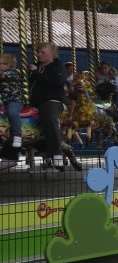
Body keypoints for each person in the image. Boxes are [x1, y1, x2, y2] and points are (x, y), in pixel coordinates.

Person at [28, 42, 67, 170]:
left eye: (42, 52)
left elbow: (57, 82)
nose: (39, 55)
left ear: (52, 54)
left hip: (52, 100)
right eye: (38, 52)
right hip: (35, 102)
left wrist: (37, 73)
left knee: (50, 118)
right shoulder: (35, 67)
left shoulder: (57, 67)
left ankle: (57, 154)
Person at [0, 53, 25, 148]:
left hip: (14, 101)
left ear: (8, 65)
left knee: (12, 112)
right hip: (4, 101)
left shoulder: (14, 73)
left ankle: (17, 135)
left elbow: (3, 75)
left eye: (0, 64)